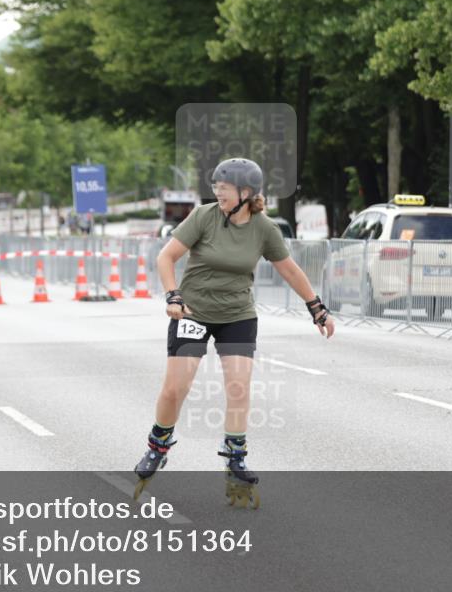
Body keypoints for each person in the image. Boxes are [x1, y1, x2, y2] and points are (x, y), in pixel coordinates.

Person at [133, 158, 336, 508]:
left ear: (246, 193)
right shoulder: (204, 217)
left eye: (223, 189)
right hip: (192, 310)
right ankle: (158, 446)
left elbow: (289, 269)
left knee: (239, 386)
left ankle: (235, 458)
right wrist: (172, 295)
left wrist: (315, 306)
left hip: (237, 314)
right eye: (215, 188)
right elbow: (166, 258)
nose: (217, 193)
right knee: (175, 388)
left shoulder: (264, 229)